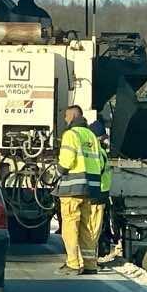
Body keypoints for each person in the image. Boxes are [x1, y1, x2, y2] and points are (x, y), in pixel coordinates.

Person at [55, 104, 107, 274]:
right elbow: (99, 162)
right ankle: (90, 264)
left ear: (72, 116)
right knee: (86, 227)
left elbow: (67, 161)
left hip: (72, 188)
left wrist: (58, 171)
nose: (64, 120)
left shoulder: (71, 134)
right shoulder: (91, 135)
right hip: (90, 189)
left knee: (70, 225)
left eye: (66, 117)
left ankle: (73, 263)